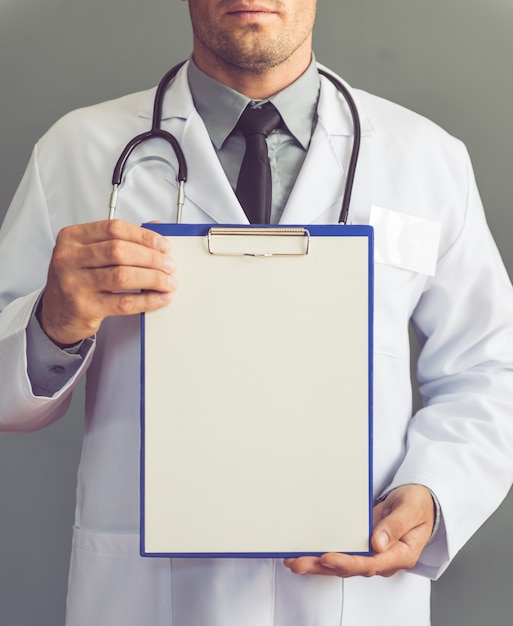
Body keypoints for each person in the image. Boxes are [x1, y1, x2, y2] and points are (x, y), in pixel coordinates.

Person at [1, 1, 513, 624]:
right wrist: (52, 323)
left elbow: (490, 369)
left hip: (345, 594)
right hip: (150, 596)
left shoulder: (426, 158)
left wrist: (436, 494)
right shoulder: (79, 151)